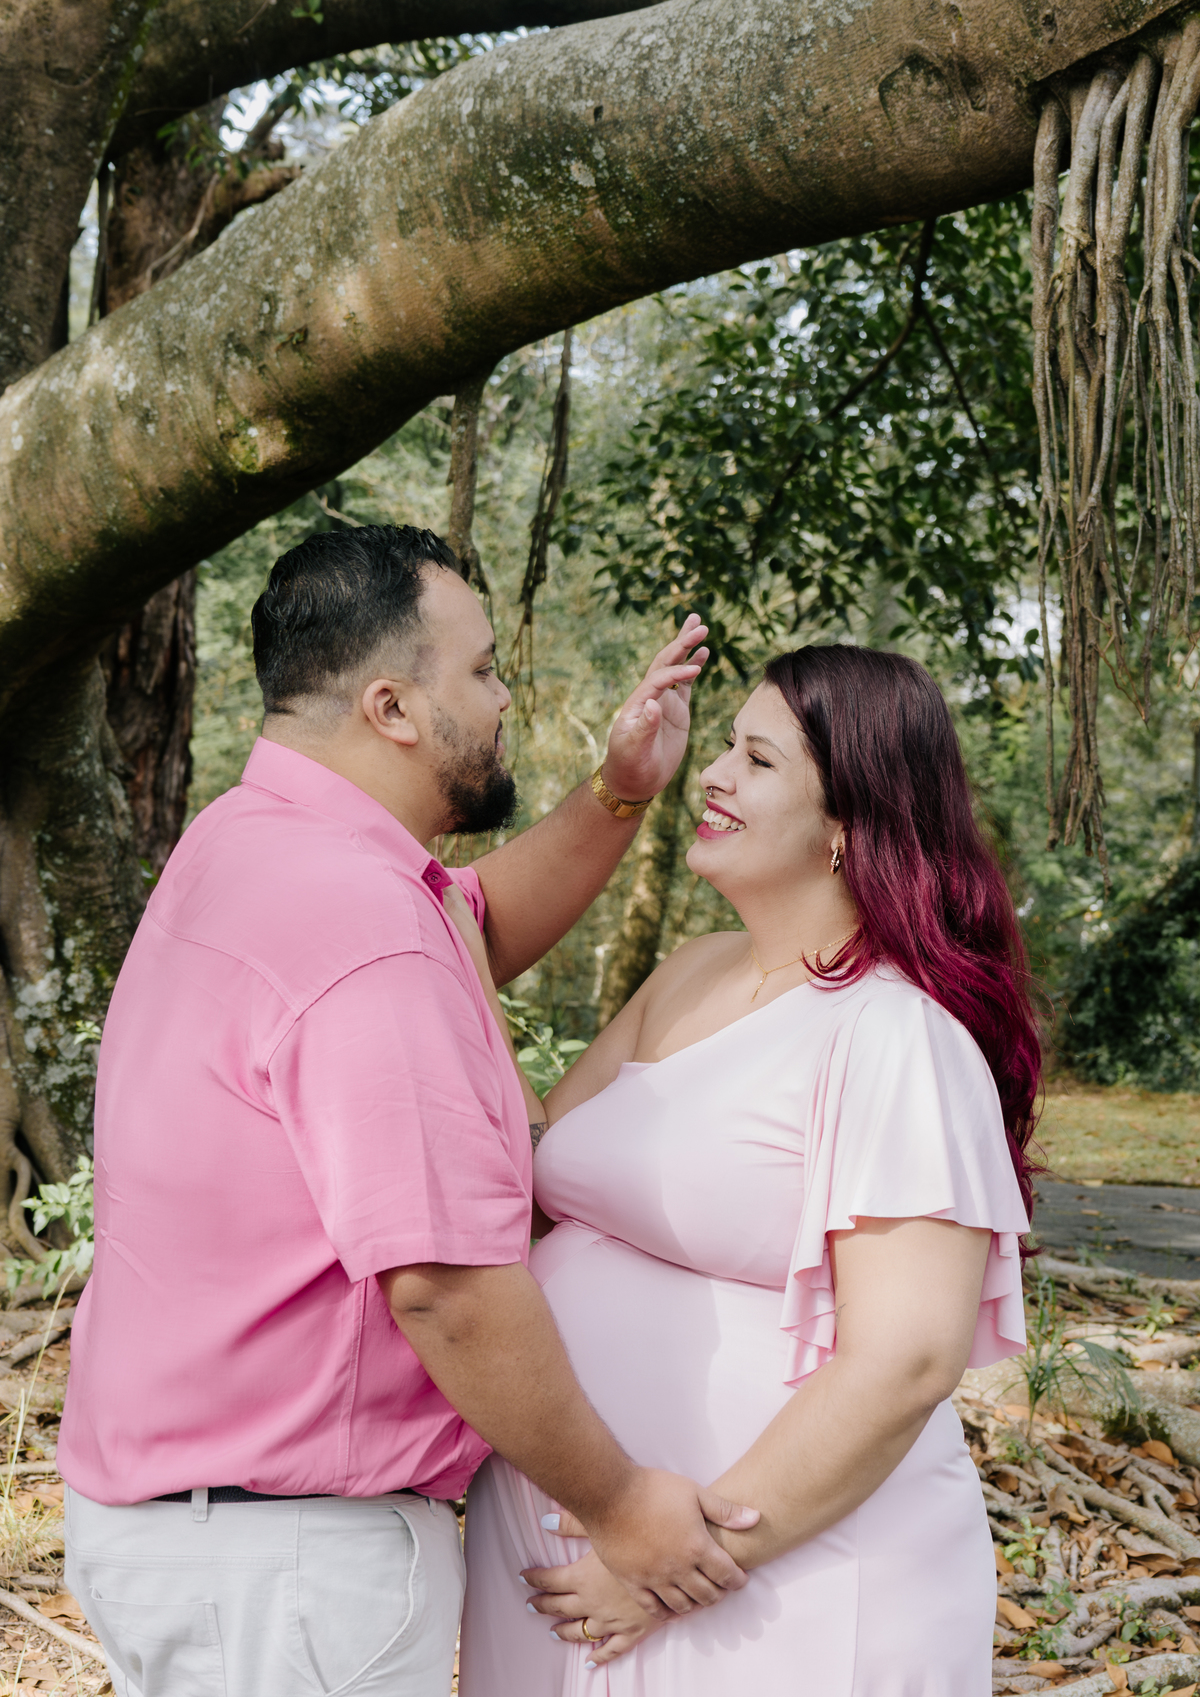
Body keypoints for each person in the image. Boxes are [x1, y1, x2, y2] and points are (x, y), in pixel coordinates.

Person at [57, 524, 758, 1697]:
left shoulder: (257, 840)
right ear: (391, 707)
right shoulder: (361, 923)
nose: (503, 698)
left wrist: (619, 791)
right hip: (292, 1568)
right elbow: (446, 1287)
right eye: (480, 671)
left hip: (204, 1536)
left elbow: (465, 926)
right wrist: (625, 1509)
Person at [457, 644, 1038, 1697]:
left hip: (764, 1583)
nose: (714, 775)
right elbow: (536, 1159)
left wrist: (671, 1565)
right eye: (726, 746)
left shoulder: (895, 1036)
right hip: (577, 1565)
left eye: (758, 760)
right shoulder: (690, 972)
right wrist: (459, 967)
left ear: (849, 822)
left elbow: (906, 1361)